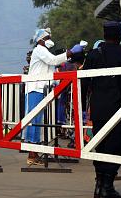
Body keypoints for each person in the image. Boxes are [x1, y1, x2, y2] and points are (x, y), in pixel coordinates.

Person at [82, 21, 121, 198]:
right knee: (115, 145)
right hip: (117, 107)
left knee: (101, 145)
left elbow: (83, 81)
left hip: (97, 108)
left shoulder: (93, 55)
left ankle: (98, 185)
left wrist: (82, 107)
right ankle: (107, 187)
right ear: (118, 36)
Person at [24, 28, 83, 166]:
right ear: (41, 40)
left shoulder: (44, 51)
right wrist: (70, 52)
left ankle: (34, 153)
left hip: (42, 90)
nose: (49, 40)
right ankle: (32, 154)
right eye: (47, 38)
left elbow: (51, 70)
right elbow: (53, 60)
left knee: (39, 121)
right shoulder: (39, 50)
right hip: (36, 89)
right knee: (35, 121)